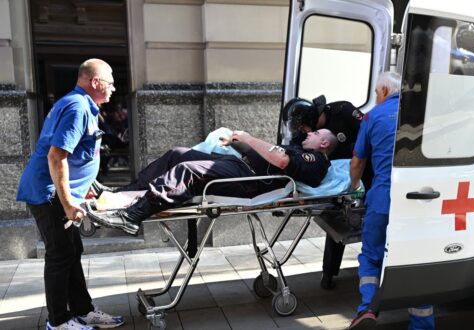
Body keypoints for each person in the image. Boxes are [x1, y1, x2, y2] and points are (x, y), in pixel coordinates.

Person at [16, 59, 125, 330]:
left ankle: (83, 310)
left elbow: (75, 156)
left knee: (71, 249)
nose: (113, 88)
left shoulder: (80, 104)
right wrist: (67, 204)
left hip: (54, 191)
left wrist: (84, 187)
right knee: (60, 254)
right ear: (95, 82)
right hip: (48, 193)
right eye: (110, 82)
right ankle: (59, 322)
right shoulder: (77, 107)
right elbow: (56, 157)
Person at [88, 129, 338, 236]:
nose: (310, 134)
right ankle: (121, 195)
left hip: (251, 182)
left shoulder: (315, 159)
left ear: (324, 144)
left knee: (188, 171)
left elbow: (281, 162)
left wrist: (250, 138)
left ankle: (132, 216)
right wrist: (237, 141)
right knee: (178, 153)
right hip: (241, 167)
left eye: (316, 134)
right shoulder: (297, 147)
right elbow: (271, 154)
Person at [348, 72, 435, 329]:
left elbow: (357, 163)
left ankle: (367, 310)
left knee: (372, 256)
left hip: (382, 196)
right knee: (415, 260)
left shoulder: (373, 116)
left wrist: (355, 188)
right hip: (421, 199)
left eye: (376, 93)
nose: (376, 98)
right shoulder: (426, 114)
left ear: (385, 90)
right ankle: (421, 325)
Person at [286, 96, 372, 289]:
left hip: (367, 168)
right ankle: (329, 273)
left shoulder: (344, 111)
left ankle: (374, 268)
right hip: (336, 177)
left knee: (371, 220)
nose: (304, 133)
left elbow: (370, 136)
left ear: (313, 119)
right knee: (336, 219)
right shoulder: (305, 131)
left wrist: (357, 177)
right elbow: (295, 150)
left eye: (305, 129)